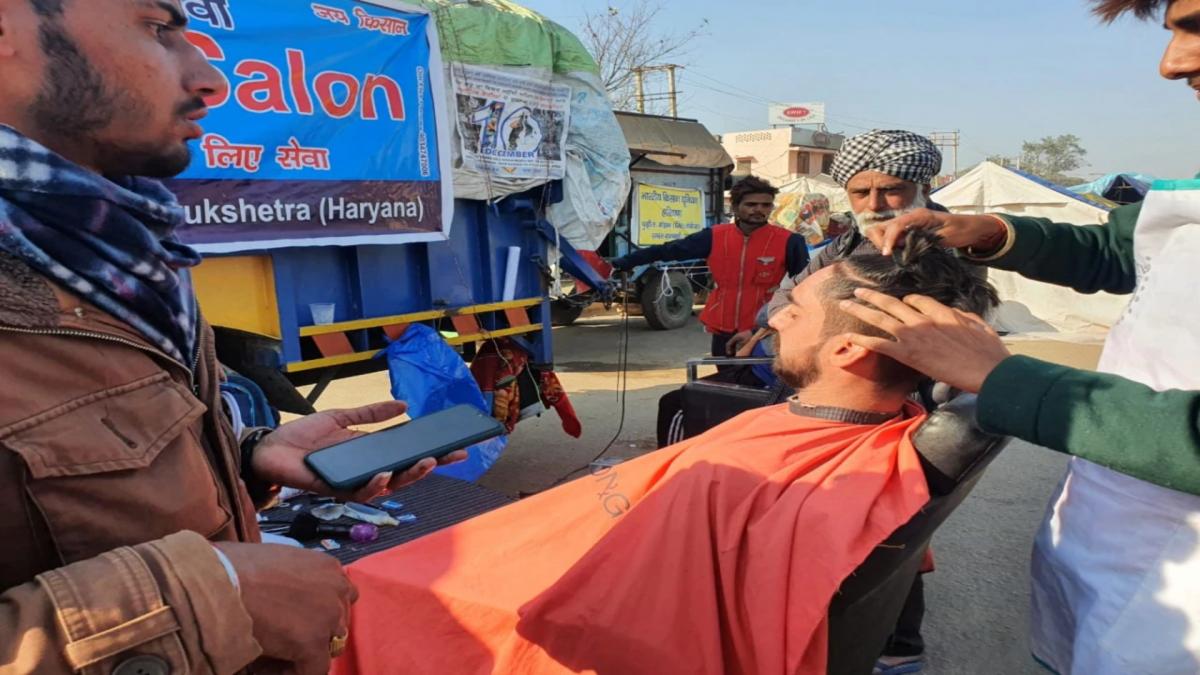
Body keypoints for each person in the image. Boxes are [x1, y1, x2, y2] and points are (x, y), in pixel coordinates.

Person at [0, 2, 461, 673]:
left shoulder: (116, 252)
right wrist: (210, 593)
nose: (212, 78)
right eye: (157, 27)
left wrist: (246, 457)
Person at [331, 231, 999, 675]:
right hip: (570, 549)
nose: (772, 319)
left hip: (546, 602)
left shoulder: (782, 484)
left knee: (361, 588)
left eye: (794, 309)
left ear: (849, 349)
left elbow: (620, 627)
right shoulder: (888, 440)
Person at [838, 1, 1200, 672]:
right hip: (1115, 539)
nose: (1171, 63)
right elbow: (1117, 251)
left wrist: (1007, 381)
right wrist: (998, 233)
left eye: (1198, 25)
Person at [610, 175, 809, 357]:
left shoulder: (790, 241)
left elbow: (806, 290)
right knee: (723, 386)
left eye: (766, 205)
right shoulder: (714, 236)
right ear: (736, 206)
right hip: (722, 326)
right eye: (751, 204)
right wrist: (624, 262)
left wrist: (767, 328)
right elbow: (668, 250)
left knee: (760, 388)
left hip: (763, 330)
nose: (759, 210)